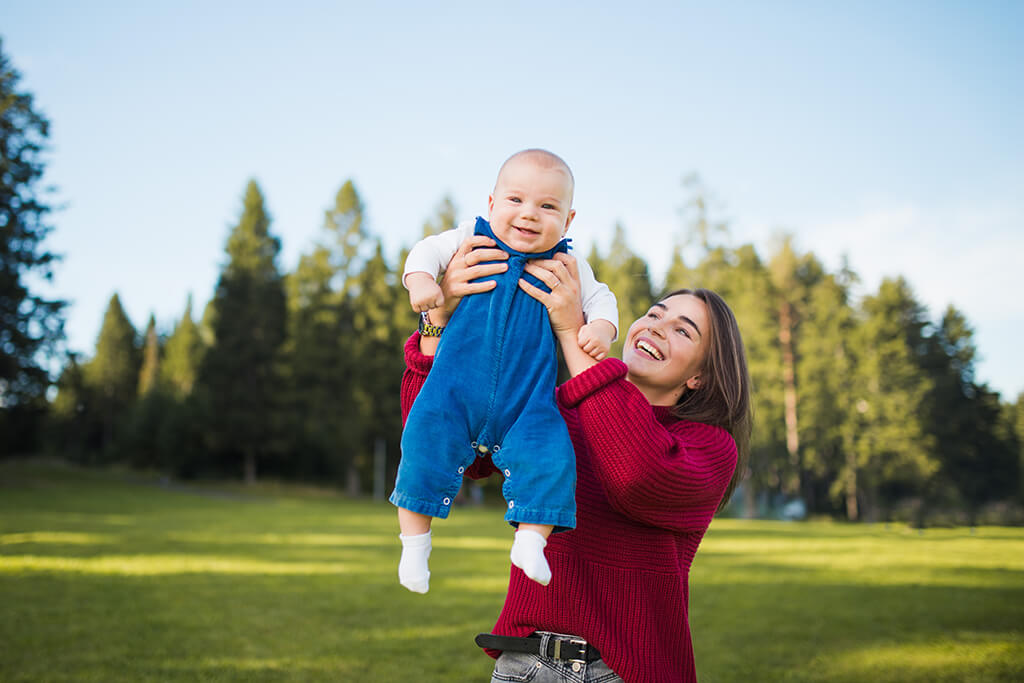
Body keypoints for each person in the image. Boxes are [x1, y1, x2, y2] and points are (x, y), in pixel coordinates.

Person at [399, 247, 752, 683]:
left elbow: (633, 475)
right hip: (524, 665)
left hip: (625, 672)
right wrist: (436, 321)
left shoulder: (710, 447)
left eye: (683, 330)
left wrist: (571, 332)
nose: (656, 327)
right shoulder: (555, 412)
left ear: (699, 376)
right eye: (654, 315)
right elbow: (437, 440)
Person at [391, 149, 617, 594]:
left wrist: (602, 328)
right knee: (422, 446)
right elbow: (425, 251)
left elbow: (601, 298)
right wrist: (421, 281)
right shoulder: (470, 239)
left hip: (527, 402)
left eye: (547, 206)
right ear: (491, 203)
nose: (529, 214)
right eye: (516, 200)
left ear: (568, 220)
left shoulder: (567, 265)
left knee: (551, 457)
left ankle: (530, 542)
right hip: (453, 391)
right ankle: (414, 547)